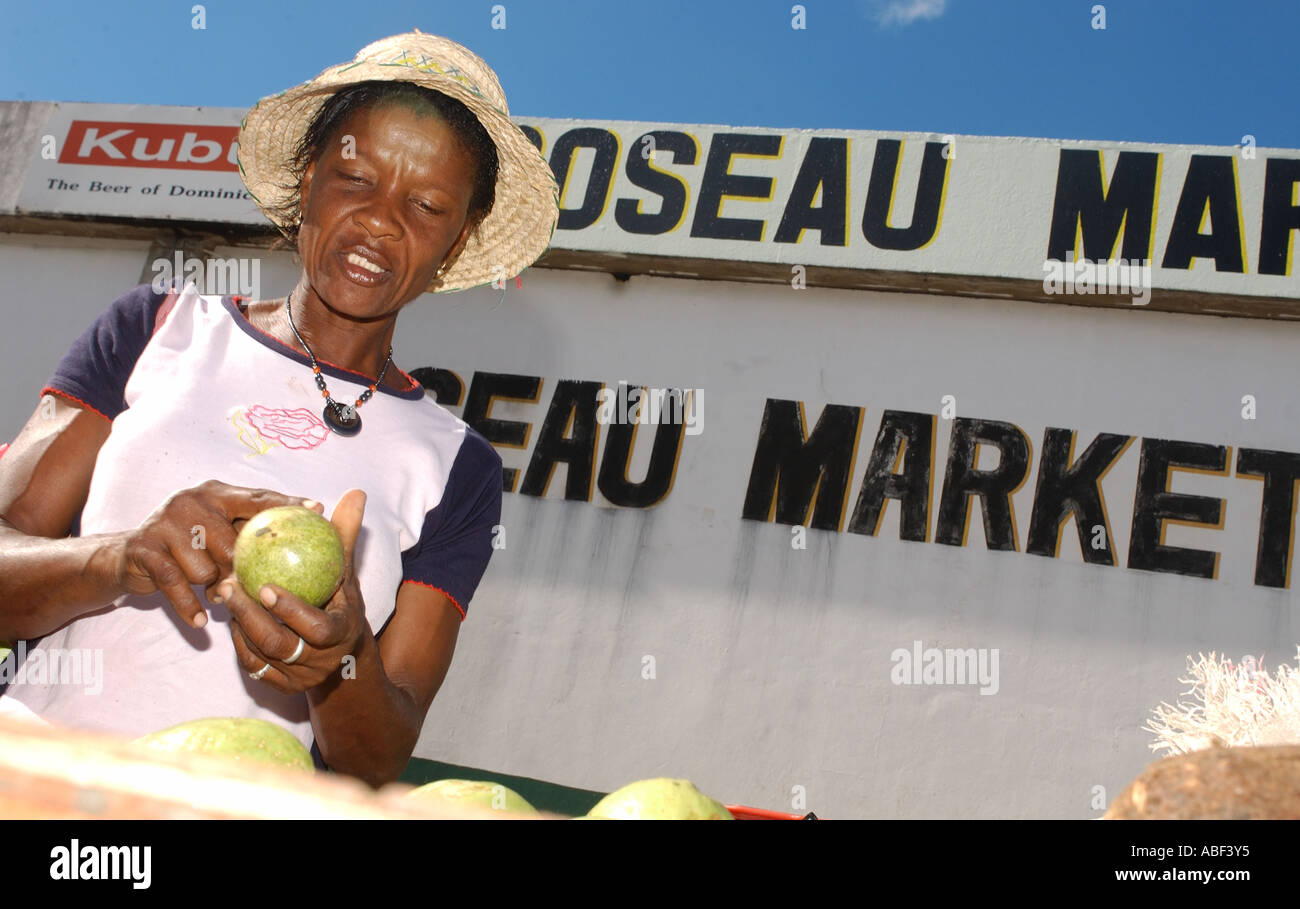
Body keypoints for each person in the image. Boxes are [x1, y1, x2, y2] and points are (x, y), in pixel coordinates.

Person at [0, 30, 559, 787]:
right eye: (354, 178)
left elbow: (378, 757)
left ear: (455, 245)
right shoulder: (158, 328)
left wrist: (343, 656)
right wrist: (123, 556)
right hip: (36, 786)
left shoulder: (459, 467)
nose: (379, 223)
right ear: (307, 182)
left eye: (426, 206)